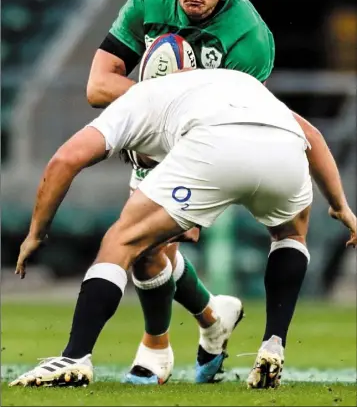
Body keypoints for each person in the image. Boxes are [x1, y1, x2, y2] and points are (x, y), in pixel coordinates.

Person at [11, 69, 356, 390]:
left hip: (216, 144)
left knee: (121, 240)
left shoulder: (132, 103)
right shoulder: (232, 81)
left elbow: (65, 160)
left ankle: (74, 357)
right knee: (290, 236)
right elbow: (312, 135)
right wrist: (340, 206)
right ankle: (273, 345)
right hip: (284, 145)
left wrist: (36, 234)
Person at [85, 0, 276, 385]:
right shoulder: (148, 1)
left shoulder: (248, 36)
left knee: (144, 244)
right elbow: (98, 85)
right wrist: (164, 93)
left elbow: (236, 120)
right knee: (151, 251)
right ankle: (213, 319)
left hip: (213, 149)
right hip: (152, 148)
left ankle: (156, 349)